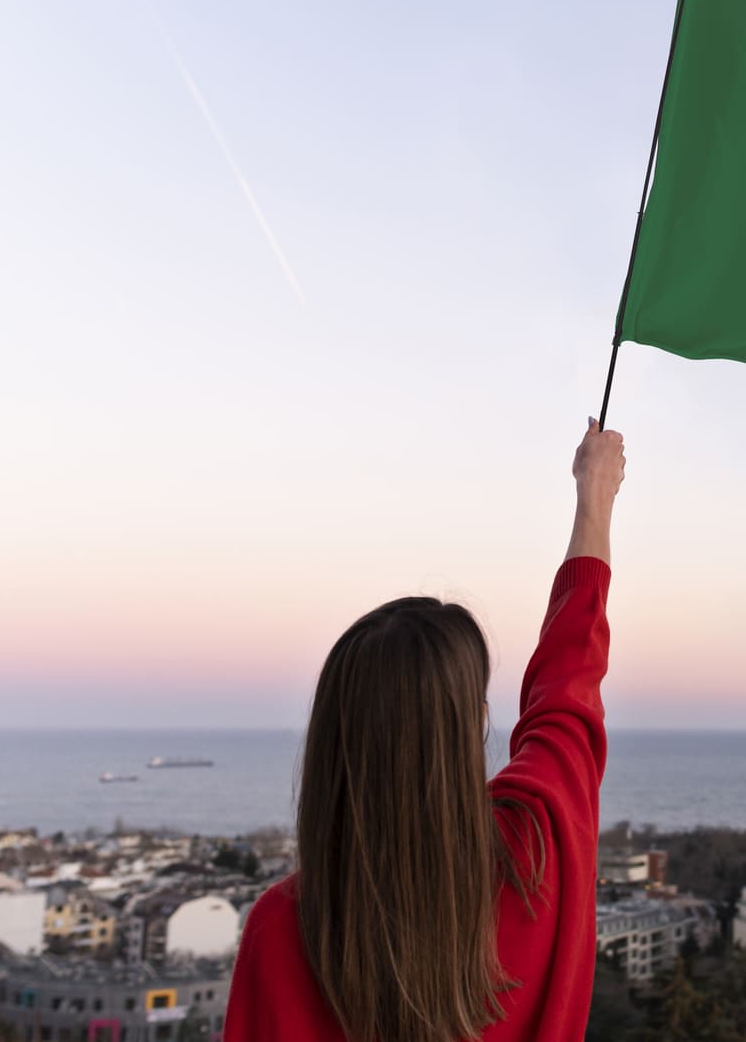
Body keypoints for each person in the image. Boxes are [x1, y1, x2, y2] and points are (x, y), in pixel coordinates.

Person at [224, 420, 626, 1041]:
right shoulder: (533, 856)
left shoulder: (284, 931)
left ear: (335, 741)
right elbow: (568, 693)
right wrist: (594, 497)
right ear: (472, 728)